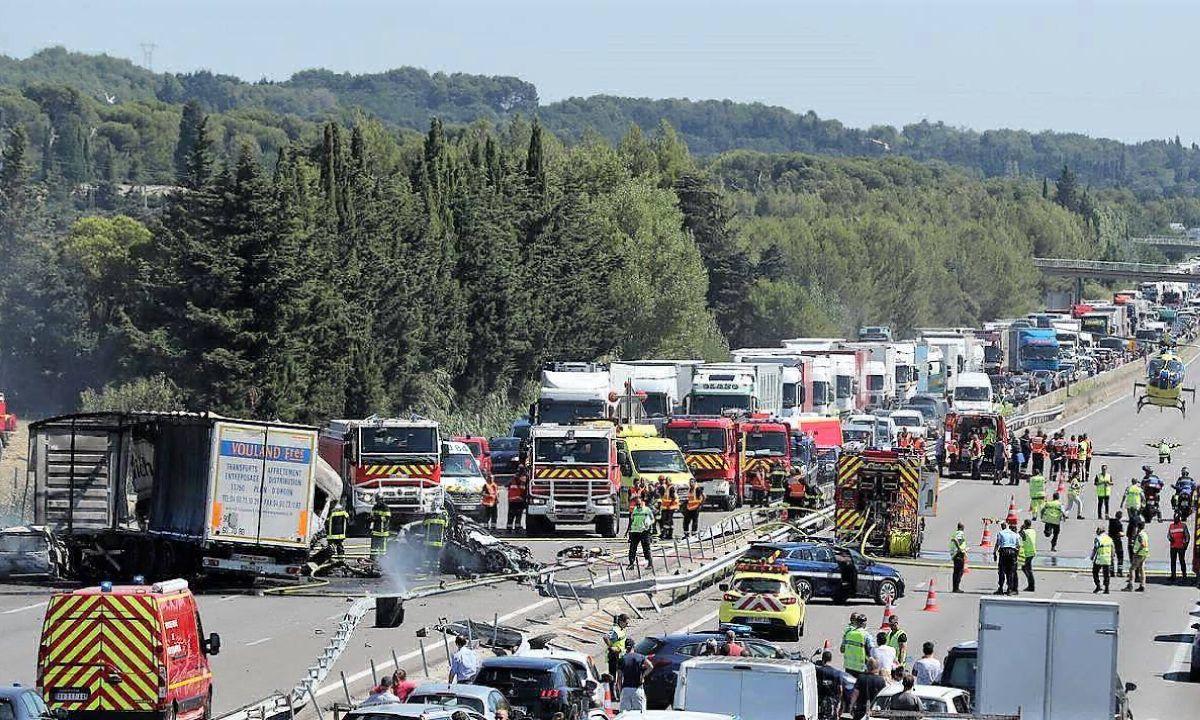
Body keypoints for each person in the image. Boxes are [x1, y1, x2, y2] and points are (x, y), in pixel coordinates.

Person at [617, 638, 652, 711]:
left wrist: (621, 692)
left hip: (626, 689)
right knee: (640, 714)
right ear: (634, 646)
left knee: (625, 715)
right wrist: (643, 676)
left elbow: (619, 679)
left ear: (625, 647)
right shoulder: (640, 657)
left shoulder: (622, 659)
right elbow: (650, 667)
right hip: (637, 689)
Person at [814, 650, 850, 720]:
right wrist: (839, 703)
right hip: (832, 703)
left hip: (820, 703)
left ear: (822, 658)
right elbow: (840, 690)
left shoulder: (817, 671)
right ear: (830, 659)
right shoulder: (836, 673)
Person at [840, 612, 873, 679]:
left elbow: (842, 650)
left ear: (856, 623)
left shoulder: (848, 634)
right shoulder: (866, 635)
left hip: (848, 666)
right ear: (864, 624)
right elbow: (871, 651)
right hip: (861, 667)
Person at [994, 519, 1021, 595]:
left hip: (1004, 552)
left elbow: (997, 544)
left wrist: (994, 553)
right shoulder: (1014, 534)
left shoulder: (1000, 533)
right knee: (1011, 572)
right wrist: (1016, 556)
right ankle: (1009, 589)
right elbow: (1018, 546)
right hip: (1012, 552)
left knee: (1001, 571)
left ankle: (1001, 589)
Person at [604, 614, 630, 692]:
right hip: (614, 656)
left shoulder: (622, 629)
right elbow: (605, 637)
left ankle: (618, 691)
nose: (627, 625)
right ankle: (611, 693)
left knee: (620, 675)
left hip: (620, 655)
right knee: (612, 676)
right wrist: (611, 647)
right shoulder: (615, 630)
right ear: (621, 622)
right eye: (626, 623)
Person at [626, 497, 654, 570]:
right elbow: (631, 520)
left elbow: (652, 519)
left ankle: (650, 564)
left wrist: (649, 523)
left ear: (642, 502)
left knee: (646, 548)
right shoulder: (634, 510)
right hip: (635, 532)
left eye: (639, 504)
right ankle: (631, 563)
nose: (638, 506)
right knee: (632, 548)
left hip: (644, 531)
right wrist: (629, 531)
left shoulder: (647, 510)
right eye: (637, 504)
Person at [1126, 520, 1149, 592]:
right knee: (1142, 569)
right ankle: (1142, 585)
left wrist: (1137, 551)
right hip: (1145, 553)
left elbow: (1143, 544)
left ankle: (1131, 585)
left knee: (1132, 569)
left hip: (1139, 554)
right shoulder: (1145, 534)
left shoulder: (1140, 535)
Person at [1168, 514, 1191, 582]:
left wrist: (1185, 545)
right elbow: (1168, 535)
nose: (1175, 519)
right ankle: (1173, 575)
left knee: (1182, 561)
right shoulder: (1171, 526)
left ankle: (1184, 575)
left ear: (1179, 518)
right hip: (1173, 547)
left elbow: (1187, 536)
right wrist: (1170, 538)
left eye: (1176, 518)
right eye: (1174, 518)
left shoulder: (1183, 525)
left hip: (1181, 547)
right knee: (1173, 561)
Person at [1092, 527, 1114, 594]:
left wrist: (1092, 556)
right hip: (1107, 558)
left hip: (1099, 558)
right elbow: (1112, 548)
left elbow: (1096, 548)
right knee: (1106, 574)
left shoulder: (1098, 538)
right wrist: (1112, 557)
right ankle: (1107, 588)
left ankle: (1098, 585)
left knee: (1095, 572)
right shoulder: (1109, 538)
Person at [949, 521, 968, 593]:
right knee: (959, 572)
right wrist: (959, 549)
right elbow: (956, 540)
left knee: (956, 572)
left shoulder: (955, 533)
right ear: (962, 528)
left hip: (955, 554)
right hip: (958, 554)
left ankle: (955, 587)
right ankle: (956, 588)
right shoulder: (960, 533)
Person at [1108, 511, 1126, 577]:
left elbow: (1109, 518)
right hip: (1117, 541)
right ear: (1120, 517)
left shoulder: (1111, 521)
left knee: (1111, 556)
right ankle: (1119, 571)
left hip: (1110, 540)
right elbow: (1120, 533)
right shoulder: (1119, 524)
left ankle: (1112, 571)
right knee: (1120, 556)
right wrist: (1123, 534)